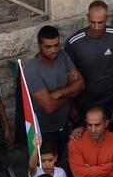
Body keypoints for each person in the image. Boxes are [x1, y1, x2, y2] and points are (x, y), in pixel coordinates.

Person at [23, 25, 85, 165]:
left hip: (65, 124)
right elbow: (49, 107)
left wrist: (59, 93)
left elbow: (81, 84)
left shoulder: (62, 55)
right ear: (39, 45)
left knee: (64, 165)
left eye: (56, 45)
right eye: (48, 47)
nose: (54, 50)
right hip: (44, 132)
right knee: (48, 169)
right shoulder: (32, 70)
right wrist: (70, 91)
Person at [65, 1, 113, 118]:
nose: (97, 27)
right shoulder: (74, 42)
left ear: (106, 18)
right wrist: (71, 107)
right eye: (93, 22)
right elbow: (68, 76)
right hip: (83, 102)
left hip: (108, 98)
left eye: (101, 22)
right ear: (88, 18)